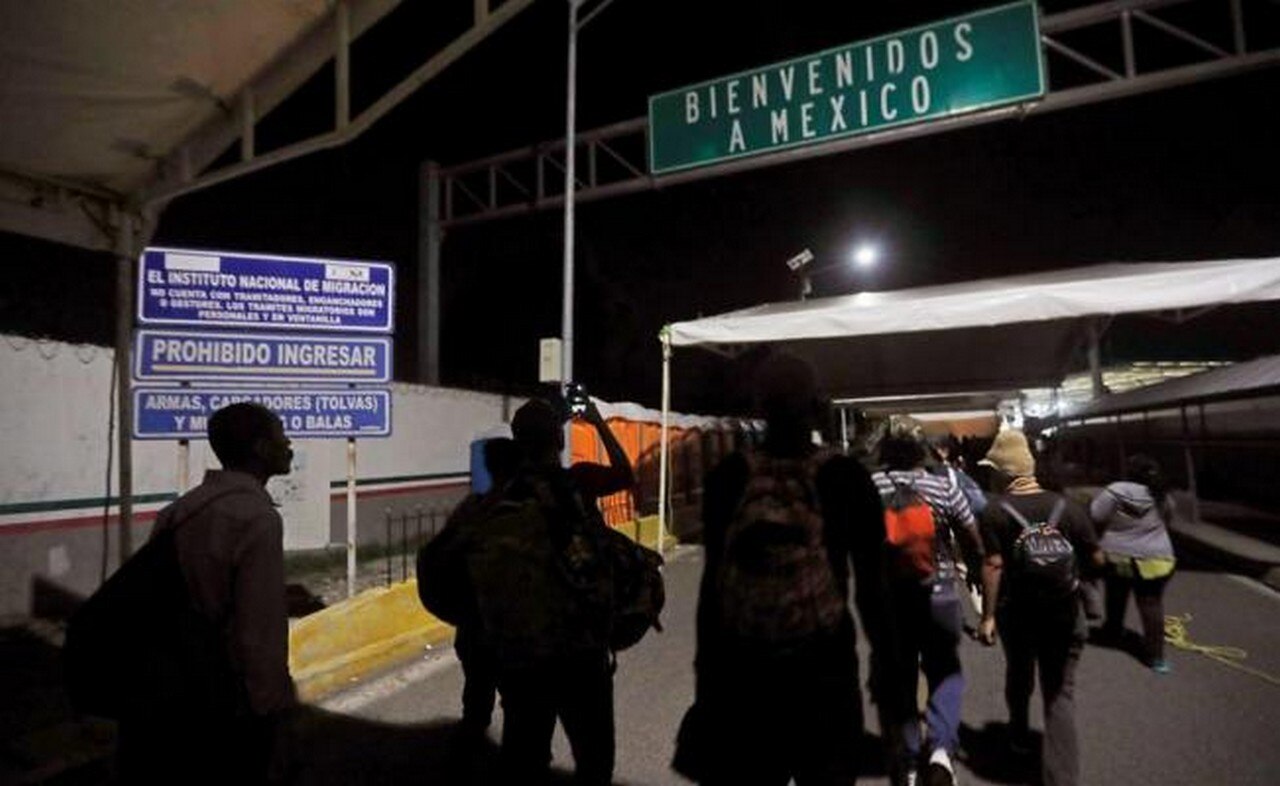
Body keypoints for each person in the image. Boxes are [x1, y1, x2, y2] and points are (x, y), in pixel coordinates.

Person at [690, 353, 896, 785]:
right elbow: (873, 588)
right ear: (816, 404)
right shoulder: (846, 476)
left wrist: (707, 679)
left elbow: (712, 588)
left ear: (759, 405)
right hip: (824, 671)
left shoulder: (728, 476)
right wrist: (886, 662)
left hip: (745, 675)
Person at [116, 402, 297, 785]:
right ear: (261, 448)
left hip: (171, 693)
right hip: (227, 702)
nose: (289, 444)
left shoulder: (179, 510)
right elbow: (258, 634)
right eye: (282, 435)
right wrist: (273, 714)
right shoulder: (258, 519)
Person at [480, 393, 631, 785]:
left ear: (517, 441)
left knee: (525, 762)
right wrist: (597, 422)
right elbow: (625, 474)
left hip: (522, 659)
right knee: (594, 762)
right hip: (582, 654)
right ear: (560, 439)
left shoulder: (500, 498)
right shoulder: (578, 482)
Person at [977, 428, 1103, 786]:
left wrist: (987, 617)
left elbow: (994, 565)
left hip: (1018, 615)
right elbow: (1096, 558)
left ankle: (1018, 734)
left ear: (1003, 473)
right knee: (1059, 694)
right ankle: (1063, 779)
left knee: (1019, 674)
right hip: (1065, 614)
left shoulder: (994, 511)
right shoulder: (1069, 507)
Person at [872, 415, 993, 786]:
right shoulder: (942, 487)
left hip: (892, 598)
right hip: (939, 593)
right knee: (944, 671)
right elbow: (972, 538)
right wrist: (975, 573)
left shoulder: (871, 486)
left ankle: (909, 759)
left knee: (901, 676)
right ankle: (940, 750)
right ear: (920, 449)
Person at [446, 437, 523, 740]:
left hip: (473, 628)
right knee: (519, 709)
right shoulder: (524, 510)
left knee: (476, 703)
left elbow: (442, 556)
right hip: (514, 631)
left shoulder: (471, 508)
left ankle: (470, 754)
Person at [1089, 453, 1177, 673]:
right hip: (1158, 559)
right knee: (1151, 604)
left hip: (1118, 556)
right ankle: (1156, 658)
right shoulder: (1161, 493)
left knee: (1116, 593)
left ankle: (1113, 630)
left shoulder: (1116, 490)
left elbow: (1096, 515)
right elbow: (1169, 518)